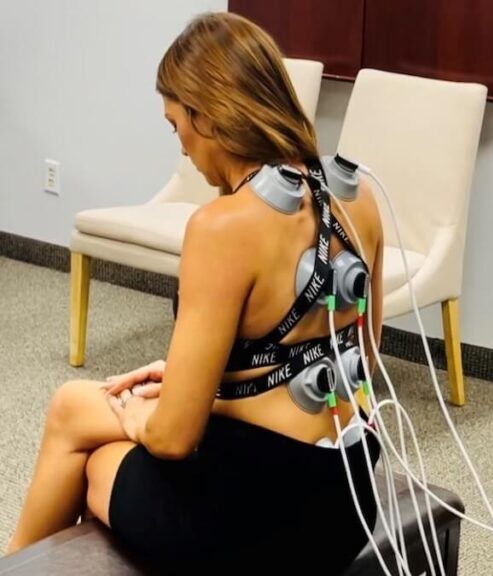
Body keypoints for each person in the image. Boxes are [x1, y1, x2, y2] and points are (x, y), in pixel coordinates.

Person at [5, 12, 384, 573]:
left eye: (175, 123)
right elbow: (362, 359)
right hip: (350, 501)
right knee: (78, 409)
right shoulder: (359, 199)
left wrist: (141, 415)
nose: (180, 146)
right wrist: (194, 378)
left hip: (261, 520)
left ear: (207, 116)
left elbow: (174, 438)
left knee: (91, 447)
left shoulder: (222, 226)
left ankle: (15, 562)